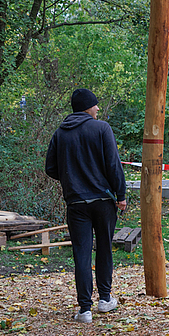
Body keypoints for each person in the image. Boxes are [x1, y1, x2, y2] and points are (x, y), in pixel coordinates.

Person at [45, 88, 127, 324]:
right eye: (96, 105)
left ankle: (84, 310)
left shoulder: (61, 133)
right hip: (103, 201)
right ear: (87, 107)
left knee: (81, 253)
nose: (98, 109)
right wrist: (120, 195)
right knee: (104, 248)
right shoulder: (101, 129)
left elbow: (50, 168)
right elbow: (113, 165)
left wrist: (72, 179)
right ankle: (105, 299)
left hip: (76, 202)